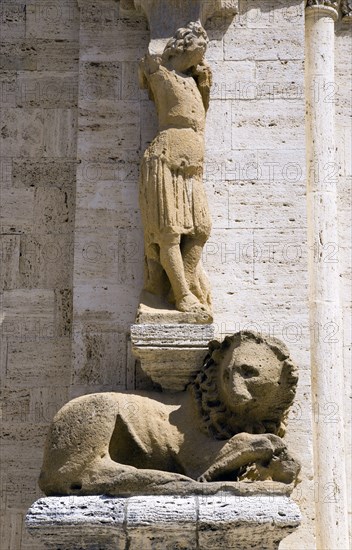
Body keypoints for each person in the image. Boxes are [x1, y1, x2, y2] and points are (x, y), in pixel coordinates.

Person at [139, 21, 212, 319]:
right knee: (169, 232)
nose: (203, 51)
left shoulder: (193, 81)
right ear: (183, 45)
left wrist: (204, 84)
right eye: (200, 45)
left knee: (201, 229)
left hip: (192, 163)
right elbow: (149, 64)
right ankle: (181, 295)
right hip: (166, 157)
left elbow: (198, 116)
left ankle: (184, 281)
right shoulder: (160, 71)